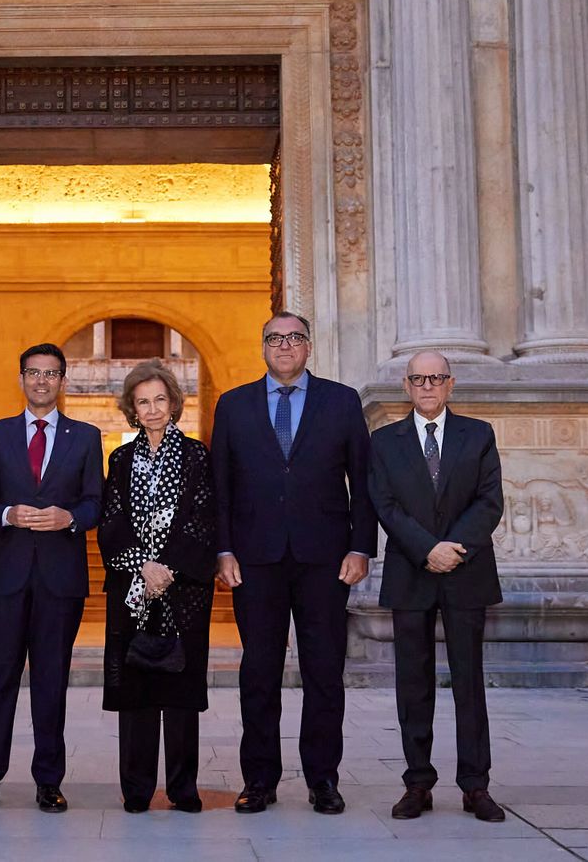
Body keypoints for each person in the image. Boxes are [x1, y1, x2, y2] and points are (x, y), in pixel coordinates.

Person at [211, 312, 376, 815]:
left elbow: (363, 481)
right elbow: (221, 485)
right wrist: (223, 549)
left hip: (326, 559)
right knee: (258, 672)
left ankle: (322, 780)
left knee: (324, 672)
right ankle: (258, 780)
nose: (285, 346)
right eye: (275, 339)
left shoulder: (342, 401)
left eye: (294, 338)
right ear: (262, 347)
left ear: (309, 346)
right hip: (254, 559)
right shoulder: (233, 405)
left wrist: (361, 547)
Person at [0, 343, 104, 815]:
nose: (42, 381)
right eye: (33, 373)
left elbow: (95, 504)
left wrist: (69, 518)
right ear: (21, 378)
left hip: (60, 579)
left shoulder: (86, 437)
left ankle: (49, 780)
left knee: (51, 679)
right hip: (7, 576)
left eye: (51, 373)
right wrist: (6, 513)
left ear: (63, 381)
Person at [368, 350, 506, 824]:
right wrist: (427, 549)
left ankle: (475, 786)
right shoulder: (383, 442)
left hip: (466, 571)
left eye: (436, 378)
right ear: (406, 387)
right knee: (413, 682)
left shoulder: (479, 434)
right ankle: (418, 783)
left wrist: (452, 548)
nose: (427, 386)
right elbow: (384, 505)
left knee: (469, 682)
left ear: (451, 384)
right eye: (418, 379)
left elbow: (490, 502)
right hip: (411, 570)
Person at [98, 360, 217, 814]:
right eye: (142, 401)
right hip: (132, 588)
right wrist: (143, 567)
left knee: (182, 690)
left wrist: (168, 568)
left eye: (159, 400)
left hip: (183, 589)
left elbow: (204, 520)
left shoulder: (196, 455)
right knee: (137, 689)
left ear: (173, 404)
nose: (151, 409)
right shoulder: (120, 458)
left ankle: (184, 788)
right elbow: (111, 522)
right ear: (132, 407)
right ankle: (137, 789)